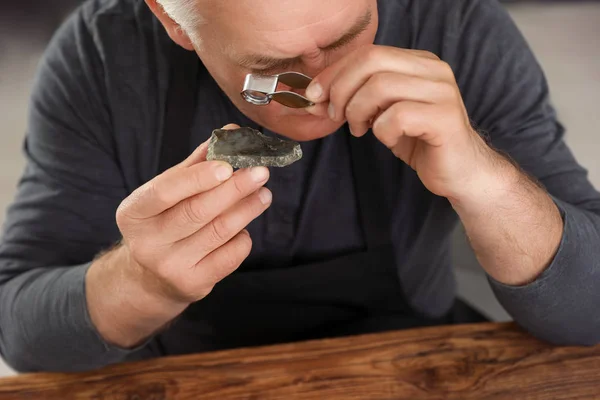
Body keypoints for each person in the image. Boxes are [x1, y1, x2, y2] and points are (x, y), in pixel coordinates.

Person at [1, 0, 599, 373]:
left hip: (413, 362)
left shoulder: (458, 23)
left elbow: (590, 314)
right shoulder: (102, 54)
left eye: (349, 38)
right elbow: (19, 331)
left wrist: (486, 181)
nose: (319, 87)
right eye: (271, 65)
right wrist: (140, 281)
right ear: (171, 18)